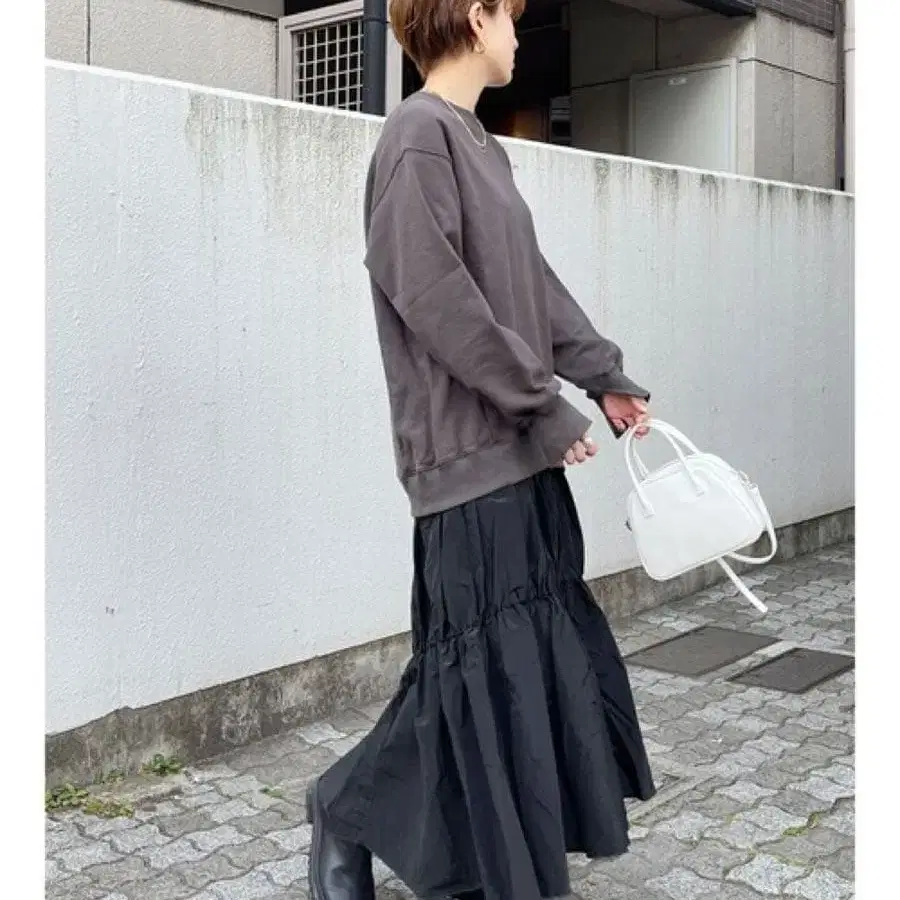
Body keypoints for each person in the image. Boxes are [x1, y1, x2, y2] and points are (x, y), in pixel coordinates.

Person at [306, 2, 656, 898]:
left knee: (506, 673)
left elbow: (530, 286)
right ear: (474, 16)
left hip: (515, 452)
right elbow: (432, 295)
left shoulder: (478, 144)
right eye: (512, 17)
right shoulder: (417, 136)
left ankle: (442, 848)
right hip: (466, 456)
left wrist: (601, 375)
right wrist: (539, 404)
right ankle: (344, 808)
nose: (517, 36)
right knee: (471, 674)